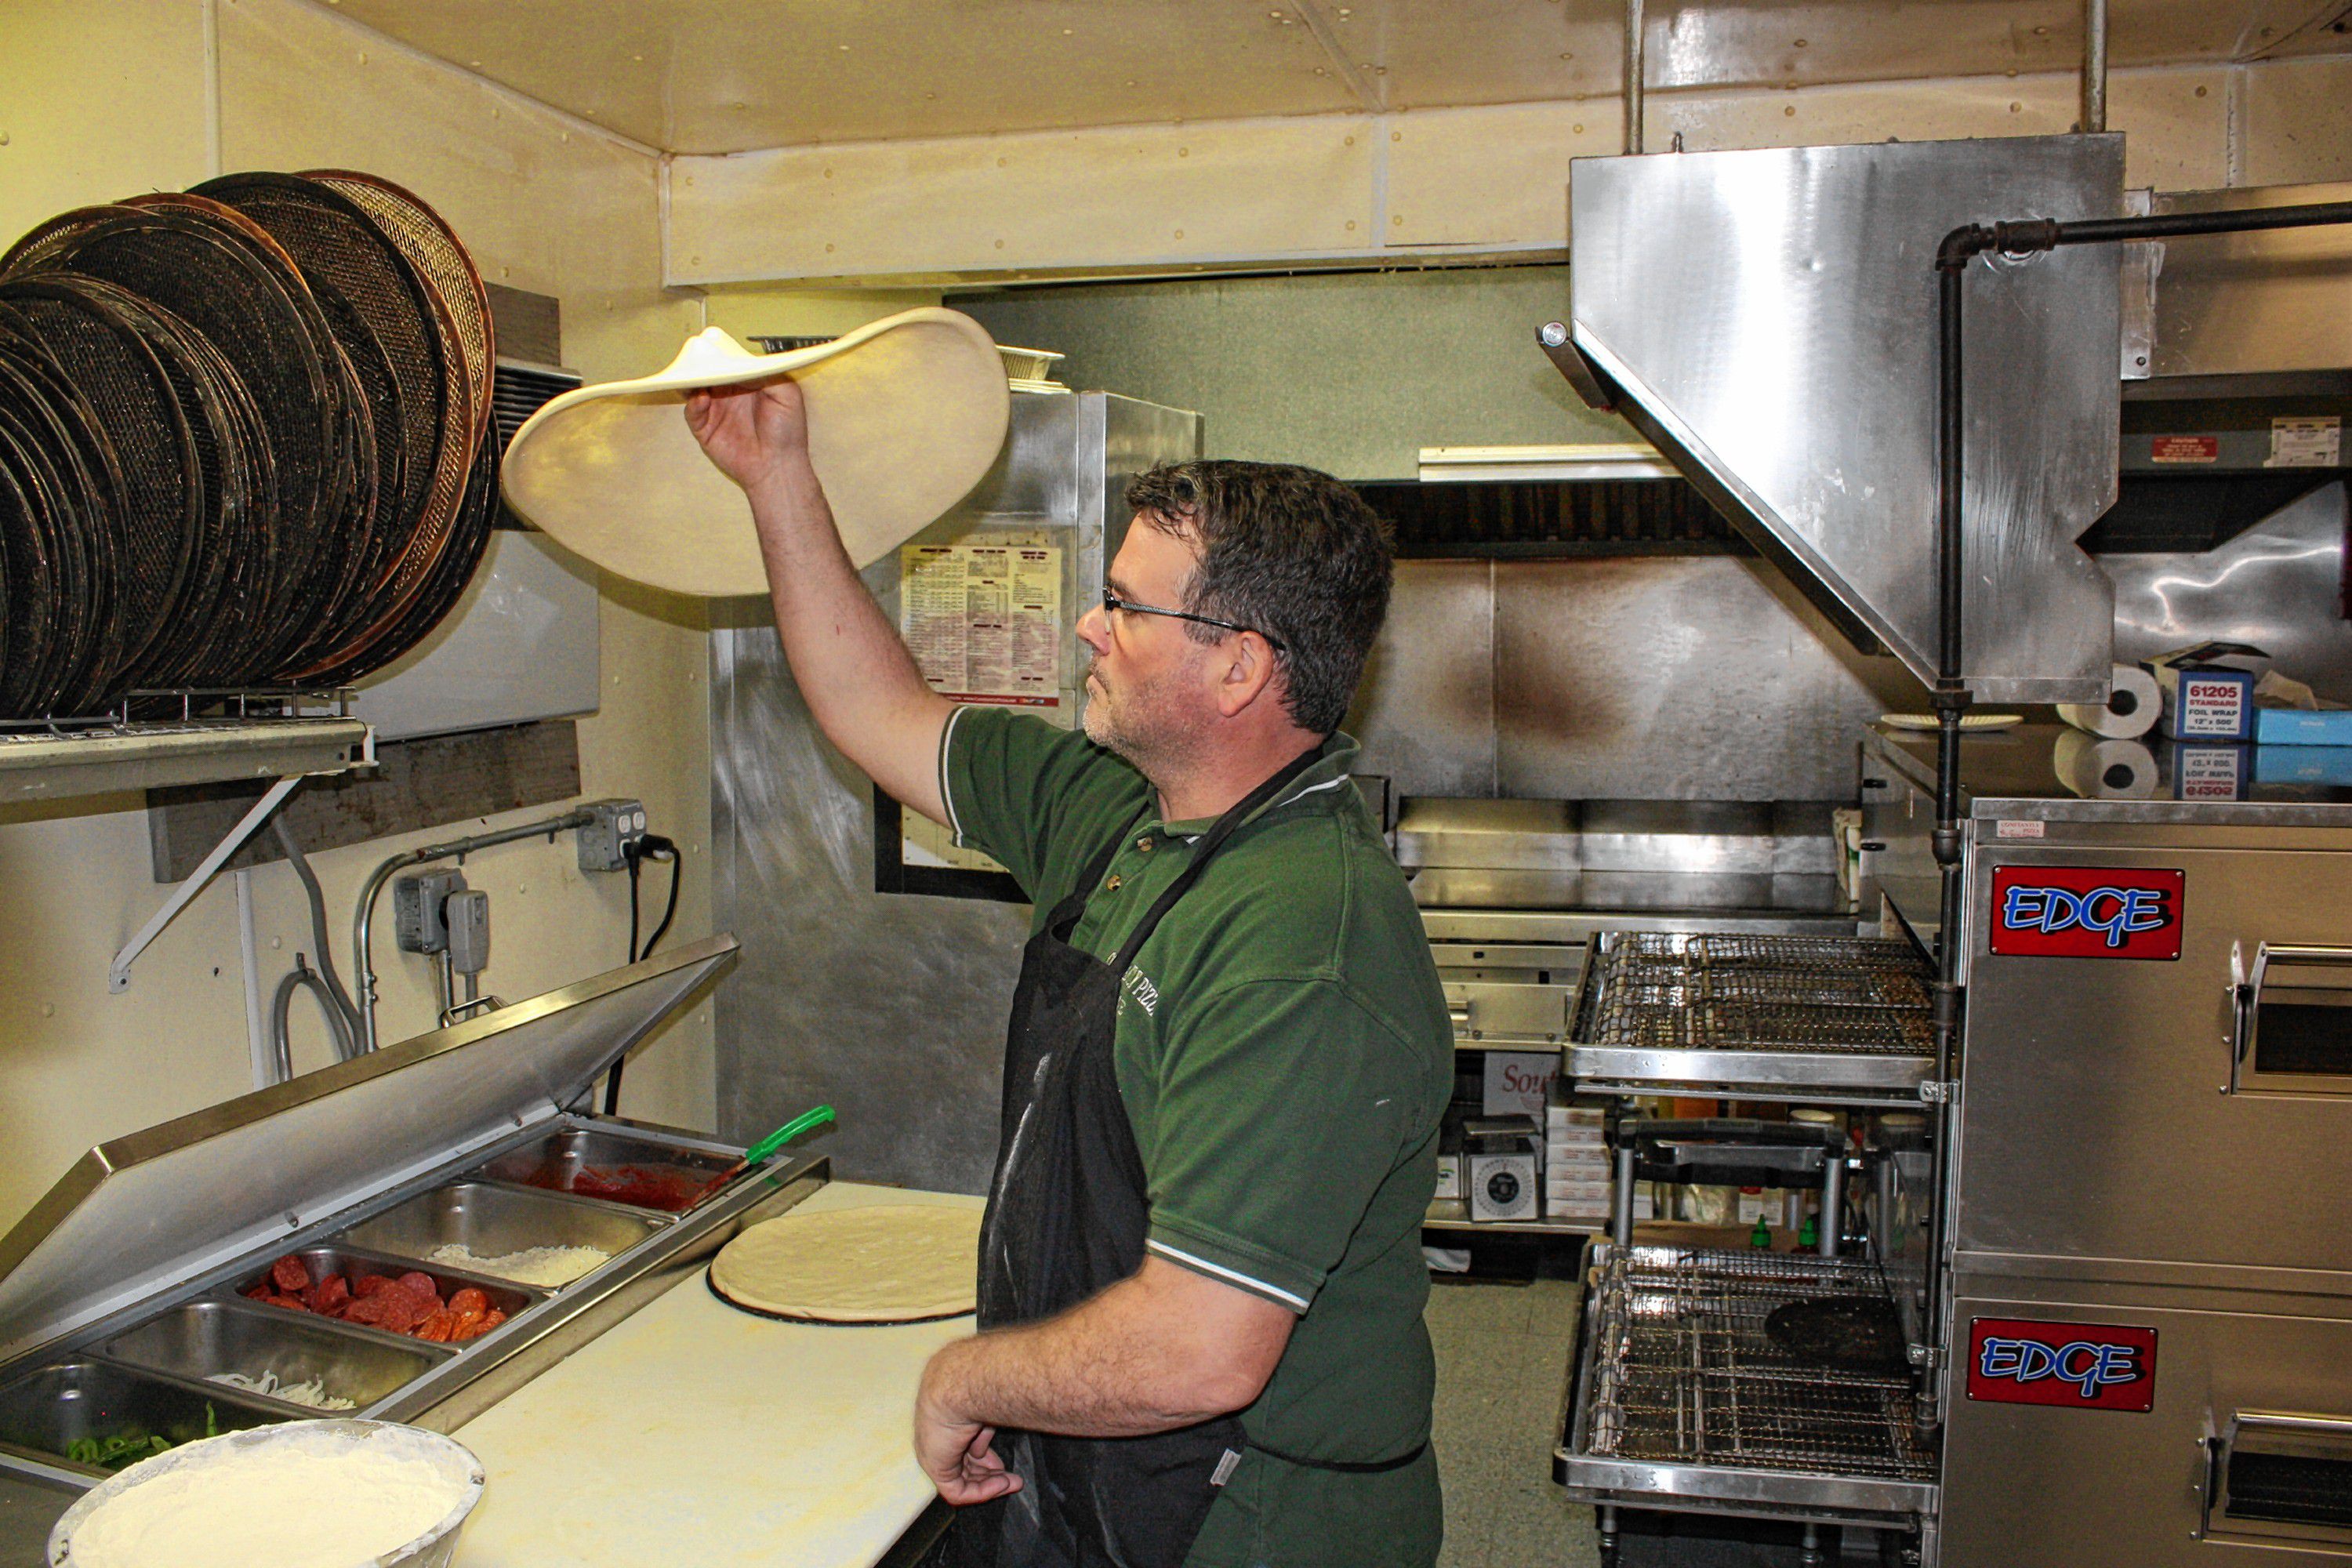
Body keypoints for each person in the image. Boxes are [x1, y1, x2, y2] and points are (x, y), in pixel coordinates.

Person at [686, 374, 1452, 1568]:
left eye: (1122, 608)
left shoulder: (1300, 949)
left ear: (1239, 669)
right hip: (1105, 1462)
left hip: (1250, 1518)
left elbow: (1198, 1348)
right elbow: (875, 706)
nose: (1086, 629)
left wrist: (961, 1377)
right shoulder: (1123, 816)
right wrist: (775, 473)